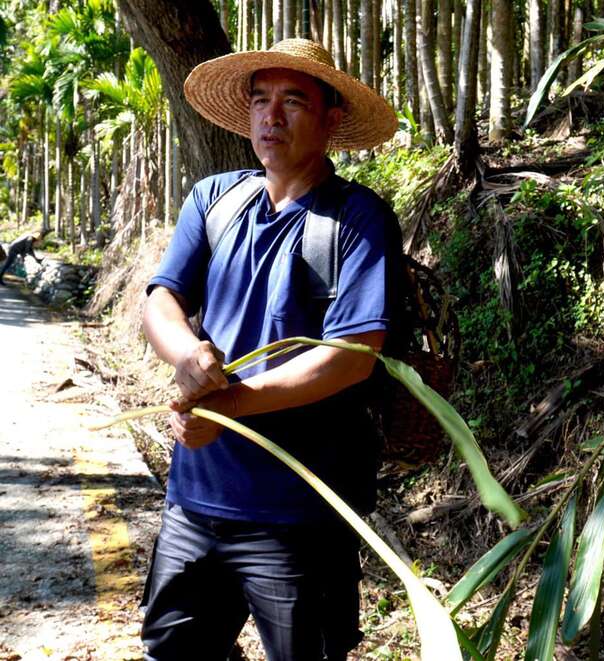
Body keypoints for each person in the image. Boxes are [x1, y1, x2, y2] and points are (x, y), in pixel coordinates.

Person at [140, 38, 400, 660]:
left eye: (292, 101)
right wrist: (184, 355)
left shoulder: (358, 219)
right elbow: (161, 299)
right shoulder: (214, 200)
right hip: (194, 502)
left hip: (300, 515)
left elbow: (353, 354)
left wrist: (232, 407)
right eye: (260, 100)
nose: (270, 118)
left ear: (332, 120)